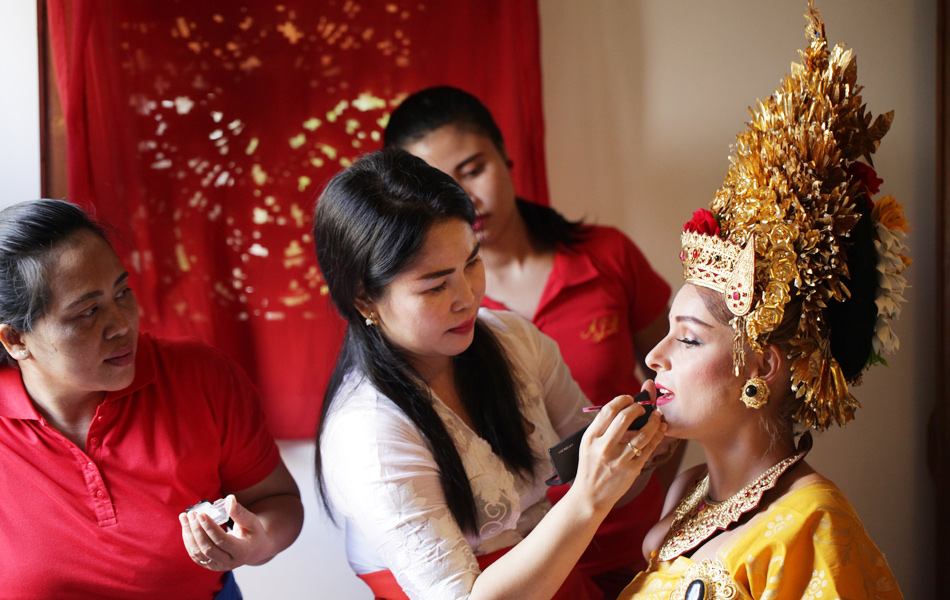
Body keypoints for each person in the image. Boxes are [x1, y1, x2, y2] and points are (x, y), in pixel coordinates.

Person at [619, 3, 906, 598]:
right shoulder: (691, 491)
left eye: (690, 336)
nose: (655, 357)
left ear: (764, 365)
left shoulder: (814, 525)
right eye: (669, 331)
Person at [312, 148, 668, 600]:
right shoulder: (370, 433)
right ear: (365, 300)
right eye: (436, 285)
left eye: (472, 263)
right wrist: (589, 498)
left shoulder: (513, 341)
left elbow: (603, 466)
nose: (468, 297)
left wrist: (641, 443)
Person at [384, 85, 679, 594]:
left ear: (507, 157)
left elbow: (676, 375)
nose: (465, 198)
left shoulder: (607, 255)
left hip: (644, 540)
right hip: (533, 568)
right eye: (439, 186)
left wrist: (669, 491)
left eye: (475, 169)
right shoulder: (436, 321)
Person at [0, 199, 304, 600]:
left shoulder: (201, 377)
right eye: (88, 311)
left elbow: (277, 500)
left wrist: (256, 542)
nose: (122, 324)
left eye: (122, 291)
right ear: (16, 340)